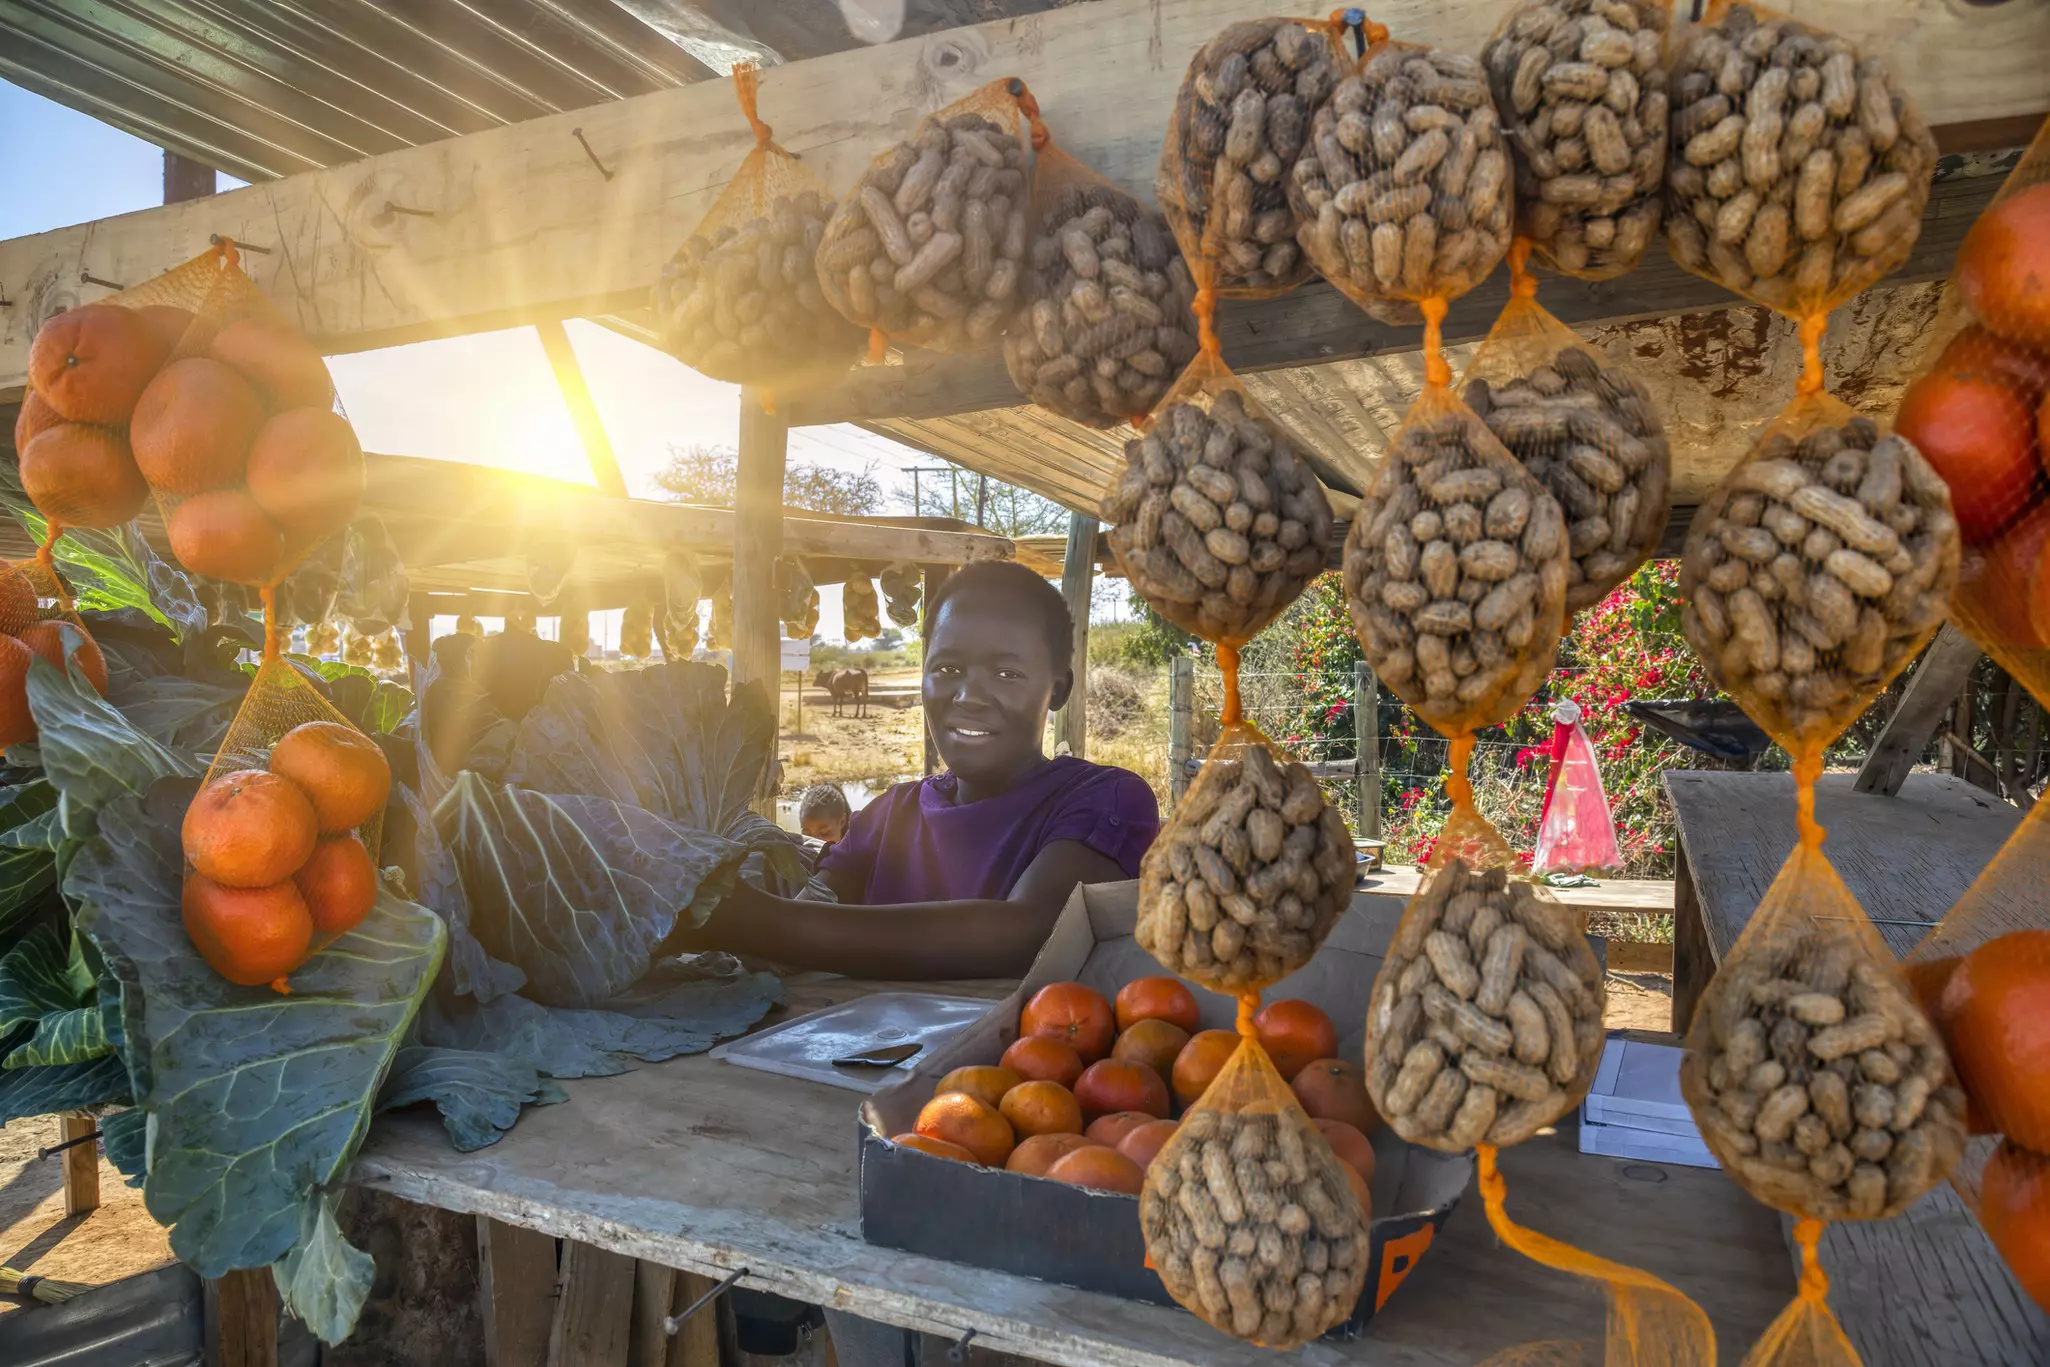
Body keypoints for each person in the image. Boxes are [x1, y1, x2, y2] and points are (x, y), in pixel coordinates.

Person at [674, 560, 1160, 979]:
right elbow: (811, 914)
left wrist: (754, 922)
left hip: (1010, 1083)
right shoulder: (888, 815)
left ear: (1058, 690)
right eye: (947, 669)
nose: (968, 697)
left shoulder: (1106, 800)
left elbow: (1031, 932)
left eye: (1007, 674)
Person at [796, 782, 851, 849]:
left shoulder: (860, 854)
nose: (814, 842)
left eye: (824, 833)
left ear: (842, 822)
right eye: (807, 834)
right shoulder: (802, 854)